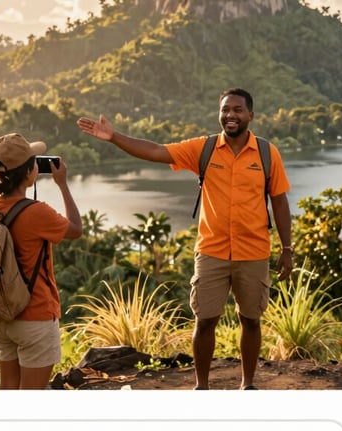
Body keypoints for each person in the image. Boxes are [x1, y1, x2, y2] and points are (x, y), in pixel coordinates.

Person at [77, 88, 293, 390]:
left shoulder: (268, 154)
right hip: (212, 251)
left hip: (254, 251)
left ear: (250, 116)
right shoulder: (203, 149)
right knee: (204, 321)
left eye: (237, 110)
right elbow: (155, 151)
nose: (230, 115)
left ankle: (248, 386)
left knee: (251, 320)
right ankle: (201, 387)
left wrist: (287, 248)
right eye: (225, 109)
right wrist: (115, 137)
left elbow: (280, 202)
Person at [0, 133, 82, 389]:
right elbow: (76, 229)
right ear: (29, 173)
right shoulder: (37, 212)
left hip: (3, 317)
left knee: (8, 390)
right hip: (34, 315)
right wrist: (62, 184)